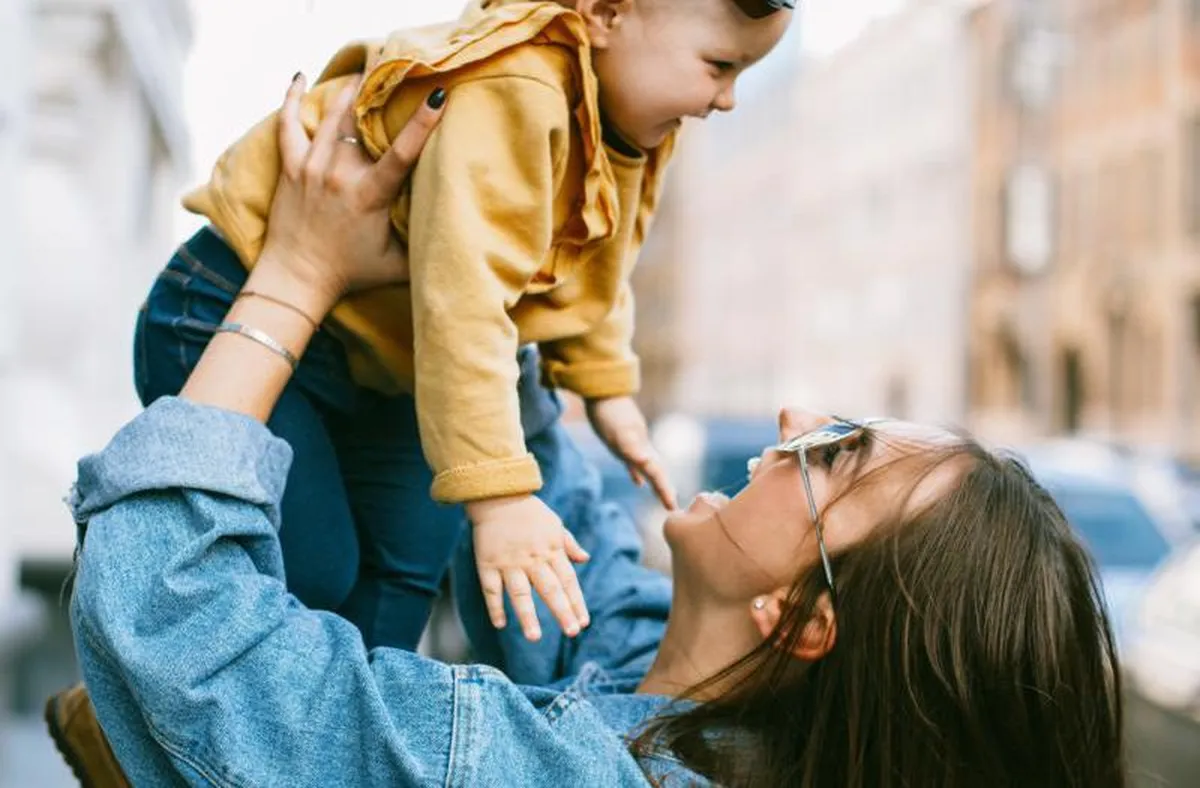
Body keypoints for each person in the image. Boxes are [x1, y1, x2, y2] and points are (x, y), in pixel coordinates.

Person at [52, 70, 1126, 787]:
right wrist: (479, 249)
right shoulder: (678, 685)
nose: (798, 417)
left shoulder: (557, 770)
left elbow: (180, 625)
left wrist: (297, 271)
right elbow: (565, 530)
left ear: (800, 619)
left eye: (834, 454)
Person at [135, 0, 794, 654]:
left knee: (406, 567)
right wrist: (501, 497)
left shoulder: (626, 122)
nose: (727, 100)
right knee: (316, 566)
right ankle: (146, 714)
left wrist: (605, 385)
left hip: (385, 360)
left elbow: (591, 258)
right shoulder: (516, 90)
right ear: (606, 14)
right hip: (231, 304)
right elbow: (467, 299)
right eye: (719, 66)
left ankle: (332, 746)